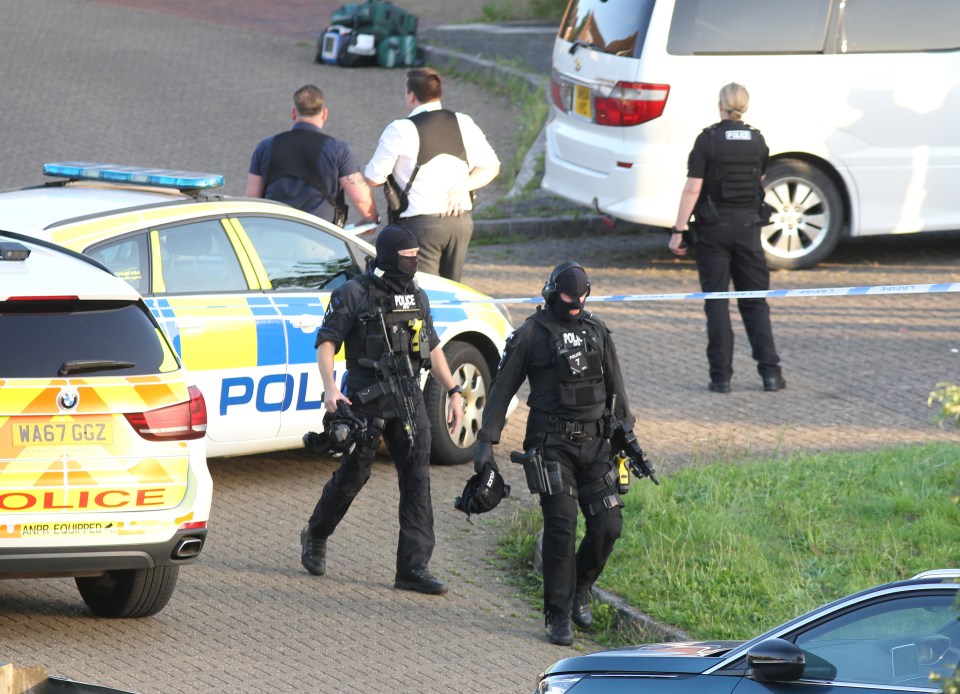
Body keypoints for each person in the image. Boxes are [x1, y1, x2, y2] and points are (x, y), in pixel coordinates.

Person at [473, 262, 634, 646]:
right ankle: (558, 614)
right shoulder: (531, 334)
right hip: (550, 445)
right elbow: (501, 389)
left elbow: (616, 384)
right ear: (550, 293)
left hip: (596, 445)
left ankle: (581, 589)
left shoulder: (595, 330)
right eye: (567, 298)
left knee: (608, 526)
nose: (575, 305)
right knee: (561, 527)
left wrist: (625, 434)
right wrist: (485, 442)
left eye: (581, 298)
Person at [299, 225, 463, 595]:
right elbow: (326, 343)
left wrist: (453, 389)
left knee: (417, 481)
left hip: (409, 401)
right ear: (390, 257)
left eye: (416, 255)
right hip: (366, 401)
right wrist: (329, 389)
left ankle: (413, 568)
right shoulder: (354, 293)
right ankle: (316, 533)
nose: (414, 262)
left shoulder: (417, 296)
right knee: (354, 476)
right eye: (407, 256)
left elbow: (432, 347)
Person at [668, 82, 785, 394]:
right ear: (744, 106)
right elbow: (759, 178)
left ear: (720, 104)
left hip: (712, 232)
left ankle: (721, 379)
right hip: (748, 229)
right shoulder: (758, 140)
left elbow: (693, 187)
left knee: (717, 304)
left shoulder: (708, 140)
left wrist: (679, 230)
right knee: (755, 302)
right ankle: (771, 375)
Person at [364, 67, 500, 283]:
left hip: (420, 226)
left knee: (426, 291)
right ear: (438, 94)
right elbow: (491, 167)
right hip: (460, 222)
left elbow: (374, 177)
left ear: (411, 95)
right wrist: (462, 186)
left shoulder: (400, 129)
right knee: (454, 289)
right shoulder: (464, 122)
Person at [246, 84, 378, 226]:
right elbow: (360, 198)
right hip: (319, 236)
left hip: (274, 230)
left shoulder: (266, 146)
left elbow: (252, 197)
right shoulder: (338, 149)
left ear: (293, 113)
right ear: (325, 114)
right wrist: (372, 219)